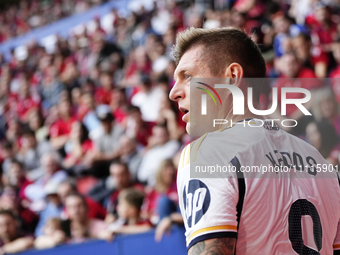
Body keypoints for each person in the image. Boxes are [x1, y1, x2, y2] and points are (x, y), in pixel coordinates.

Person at [169, 27, 340, 254]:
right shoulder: (319, 161)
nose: (174, 92)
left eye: (188, 76)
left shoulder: (209, 152)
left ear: (232, 77)